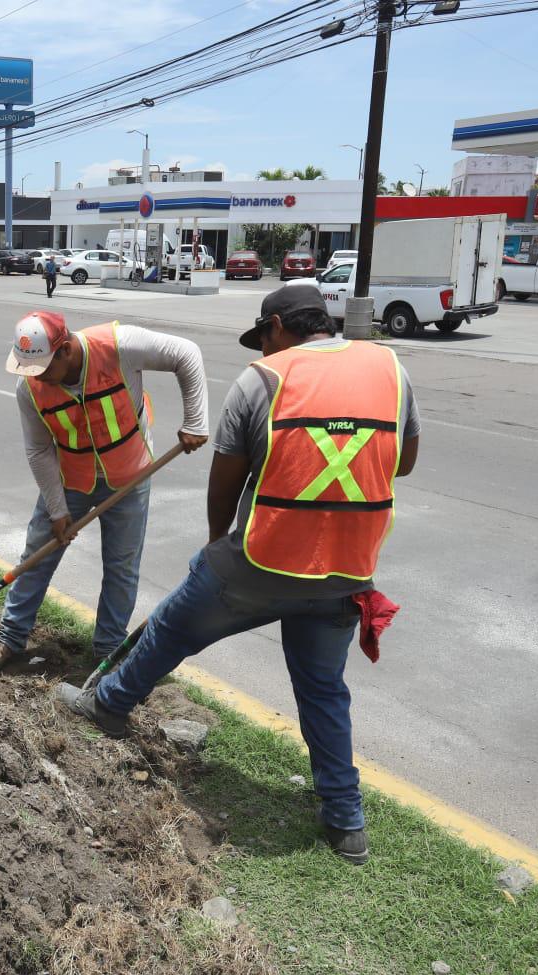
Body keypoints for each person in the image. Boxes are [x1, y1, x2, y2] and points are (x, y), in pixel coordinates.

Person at [57, 283, 420, 864]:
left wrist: (212, 549)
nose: (265, 348)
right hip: (347, 568)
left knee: (173, 625)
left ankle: (109, 704)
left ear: (277, 326)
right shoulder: (388, 367)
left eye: (264, 338)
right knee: (324, 688)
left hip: (263, 559)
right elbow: (404, 458)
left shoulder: (263, 379)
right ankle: (345, 822)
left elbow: (225, 477)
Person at [0, 311, 209, 671]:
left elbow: (187, 353)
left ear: (66, 350)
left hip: (129, 475)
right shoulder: (29, 388)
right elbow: (39, 449)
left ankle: (107, 651)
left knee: (121, 567)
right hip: (70, 479)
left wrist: (195, 420)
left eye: (42, 367)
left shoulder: (119, 347)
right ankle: (10, 638)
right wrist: (57, 510)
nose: (36, 376)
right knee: (38, 555)